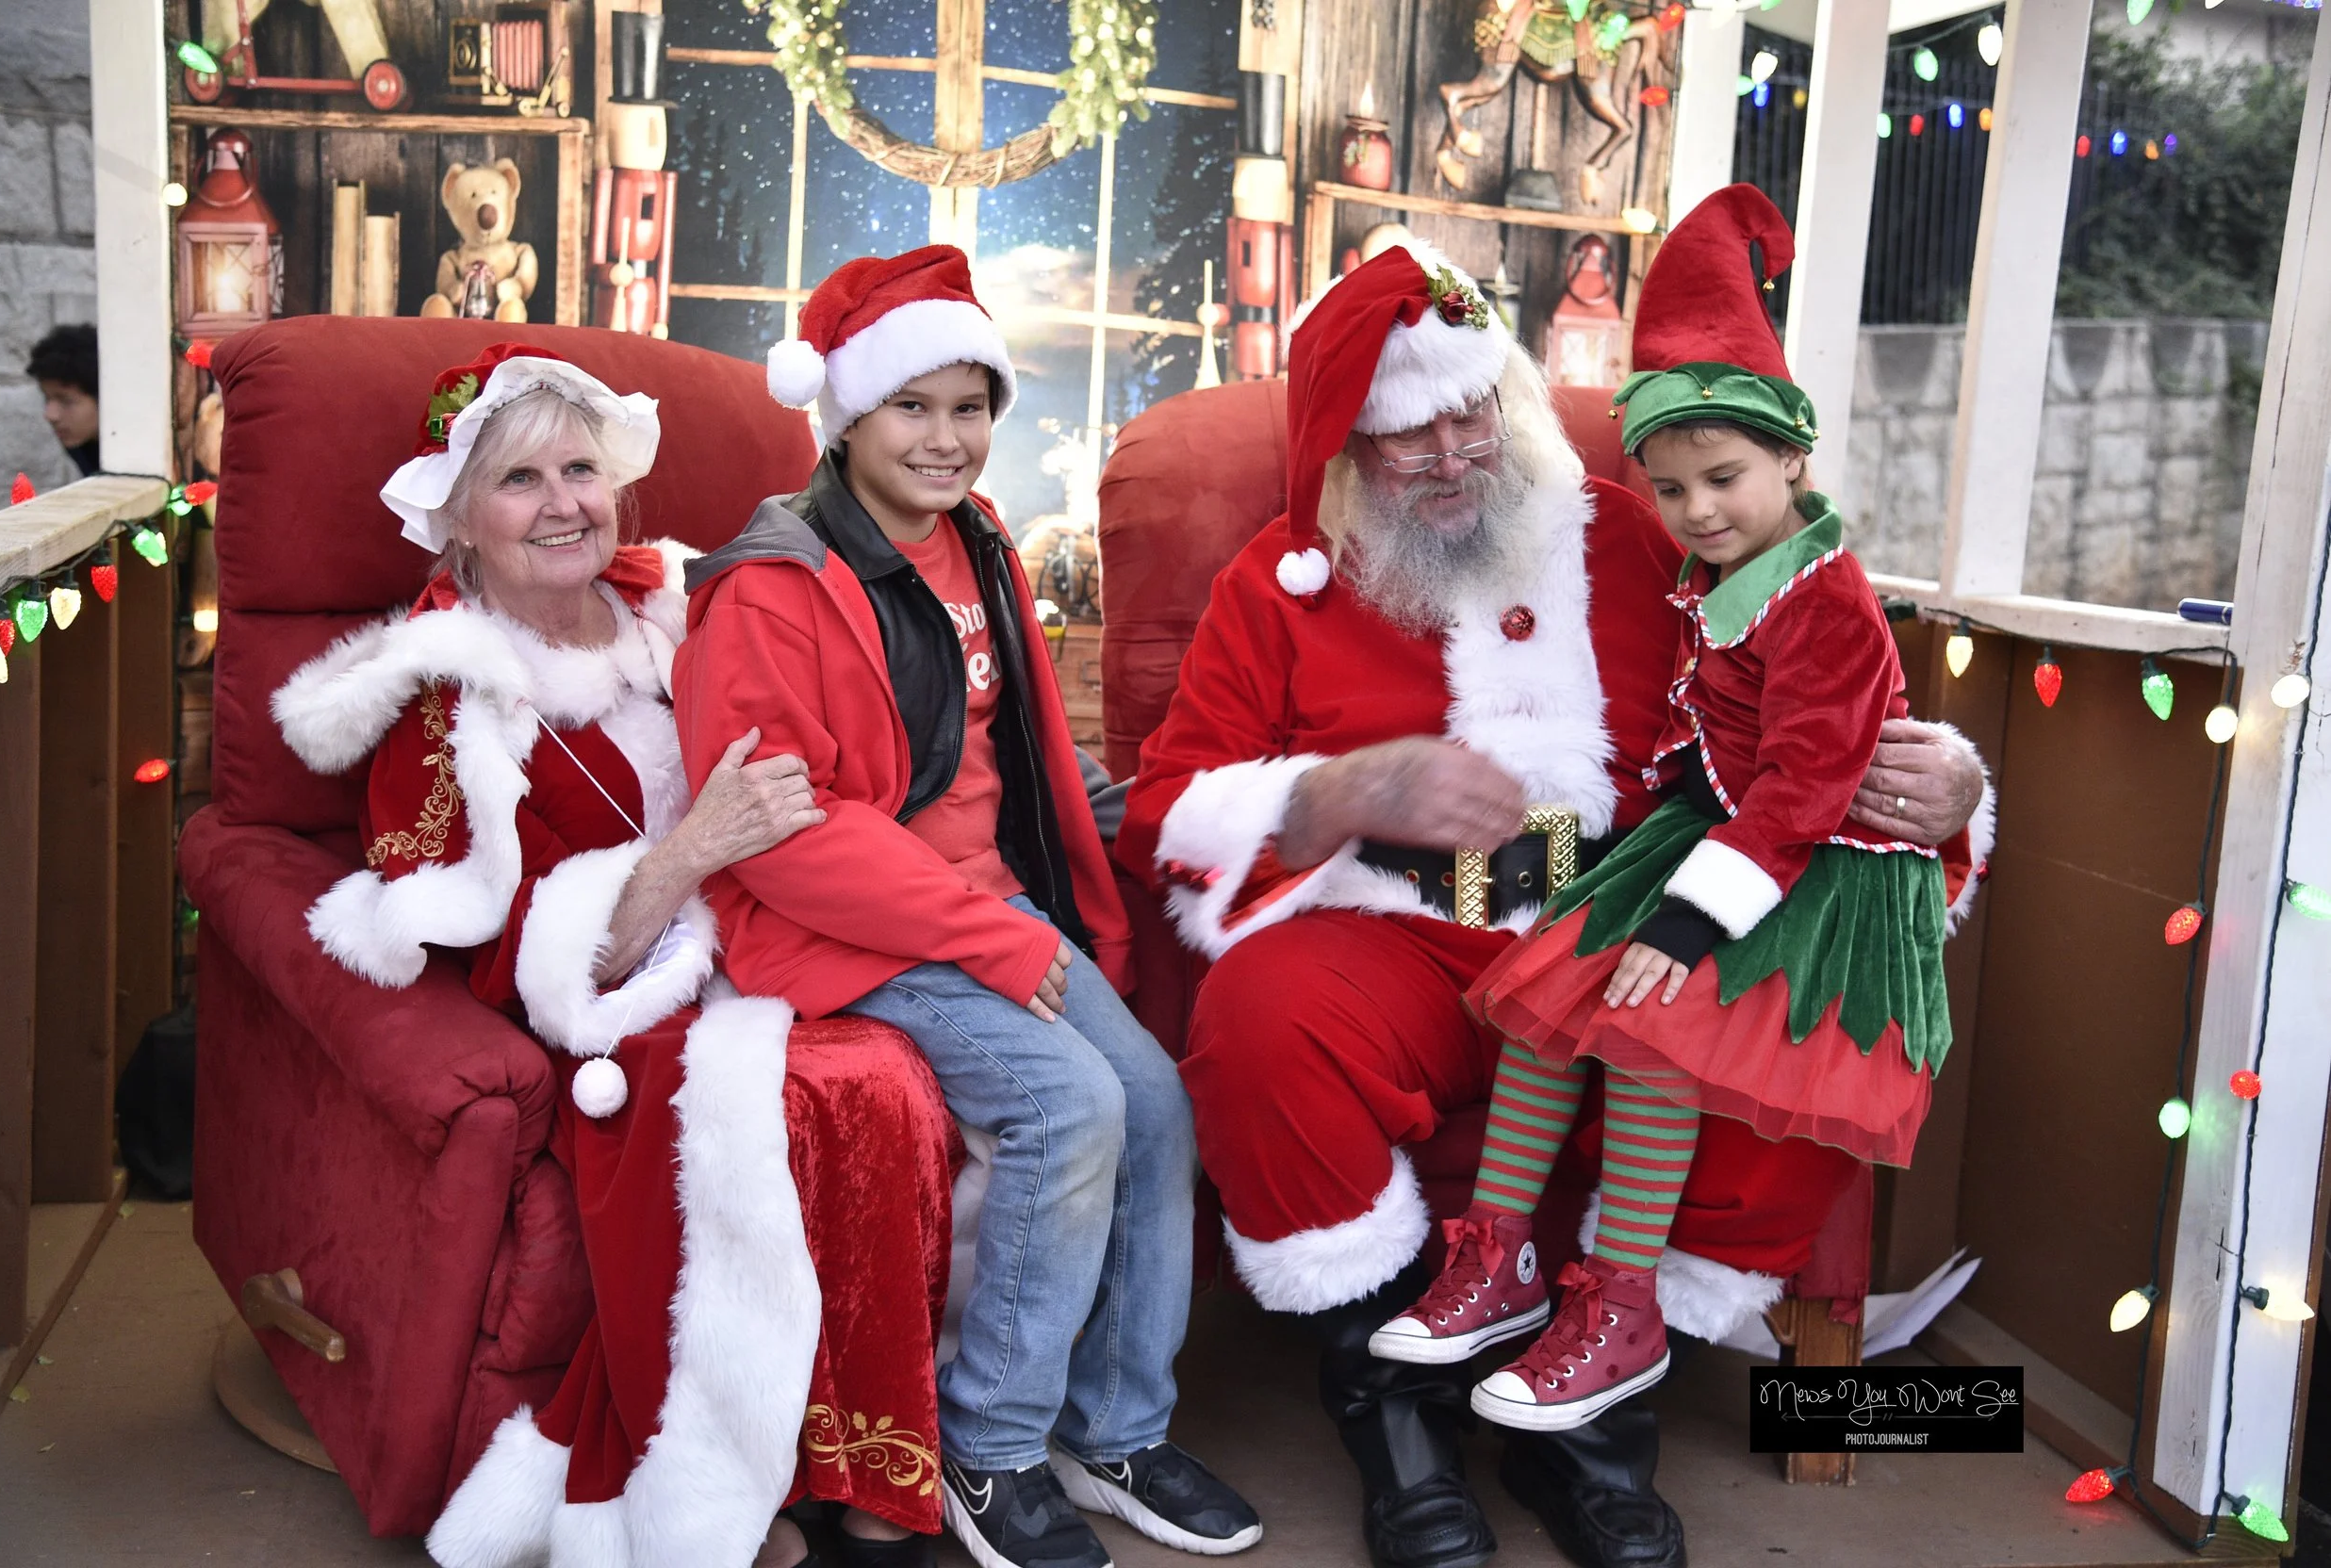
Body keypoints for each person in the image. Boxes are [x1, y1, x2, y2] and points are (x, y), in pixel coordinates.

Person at [1114, 215, 1993, 1568]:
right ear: (1349, 449)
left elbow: (1815, 720)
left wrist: (1944, 792)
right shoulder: (1281, 586)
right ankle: (1401, 1422)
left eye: (1477, 415)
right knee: (1263, 1026)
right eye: (1414, 436)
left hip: (1639, 932)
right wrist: (1339, 791)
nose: (1456, 455)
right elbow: (1169, 808)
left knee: (1780, 1077)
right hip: (1401, 932)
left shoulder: (1657, 543)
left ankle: (1587, 1435)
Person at [273, 344, 957, 1568]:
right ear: (461, 519)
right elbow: (517, 961)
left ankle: (869, 1469)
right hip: (621, 1003)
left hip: (764, 938)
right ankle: (726, 1479)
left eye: (581, 469)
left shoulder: (674, 602)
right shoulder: (448, 696)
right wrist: (695, 850)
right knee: (833, 1092)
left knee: (914, 1066)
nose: (564, 504)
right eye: (520, 480)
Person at [673, 246, 1261, 1568]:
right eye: (914, 408)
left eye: (971, 406)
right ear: (847, 416)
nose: (949, 439)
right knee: (1069, 1104)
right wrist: (990, 934)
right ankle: (989, 1453)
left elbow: (1020, 758)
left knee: (1158, 1102)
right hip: (849, 933)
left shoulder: (979, 542)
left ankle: (1113, 1426)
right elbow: (787, 834)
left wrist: (1154, 840)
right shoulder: (769, 588)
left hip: (987, 904)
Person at [1366, 187, 1955, 1442]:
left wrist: (1685, 919)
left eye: (1726, 480)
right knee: (1547, 999)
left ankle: (1624, 1301)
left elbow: (1802, 788)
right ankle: (1501, 1256)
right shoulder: (1720, 572)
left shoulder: (1827, 603)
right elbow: (1713, 731)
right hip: (1719, 831)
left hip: (1812, 867)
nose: (1699, 513)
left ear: (1795, 458)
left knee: (1645, 1022)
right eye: (1672, 488)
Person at [25, 323, 100, 476]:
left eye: (66, 401)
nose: (50, 415)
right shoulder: (79, 440)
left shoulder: (150, 454)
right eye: (47, 398)